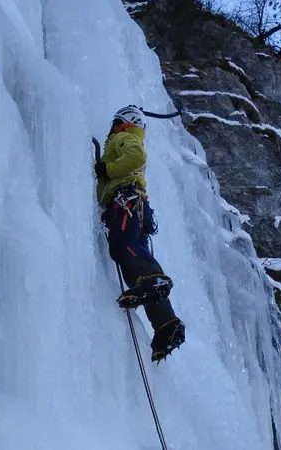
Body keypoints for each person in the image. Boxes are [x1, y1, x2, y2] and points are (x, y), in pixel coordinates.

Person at [95, 105, 185, 362]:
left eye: (114, 123)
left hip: (125, 202)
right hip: (134, 207)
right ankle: (167, 325)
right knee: (135, 261)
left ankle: (156, 280)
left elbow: (136, 157)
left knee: (124, 246)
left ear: (123, 122)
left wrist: (107, 170)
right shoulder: (127, 136)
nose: (110, 130)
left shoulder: (124, 137)